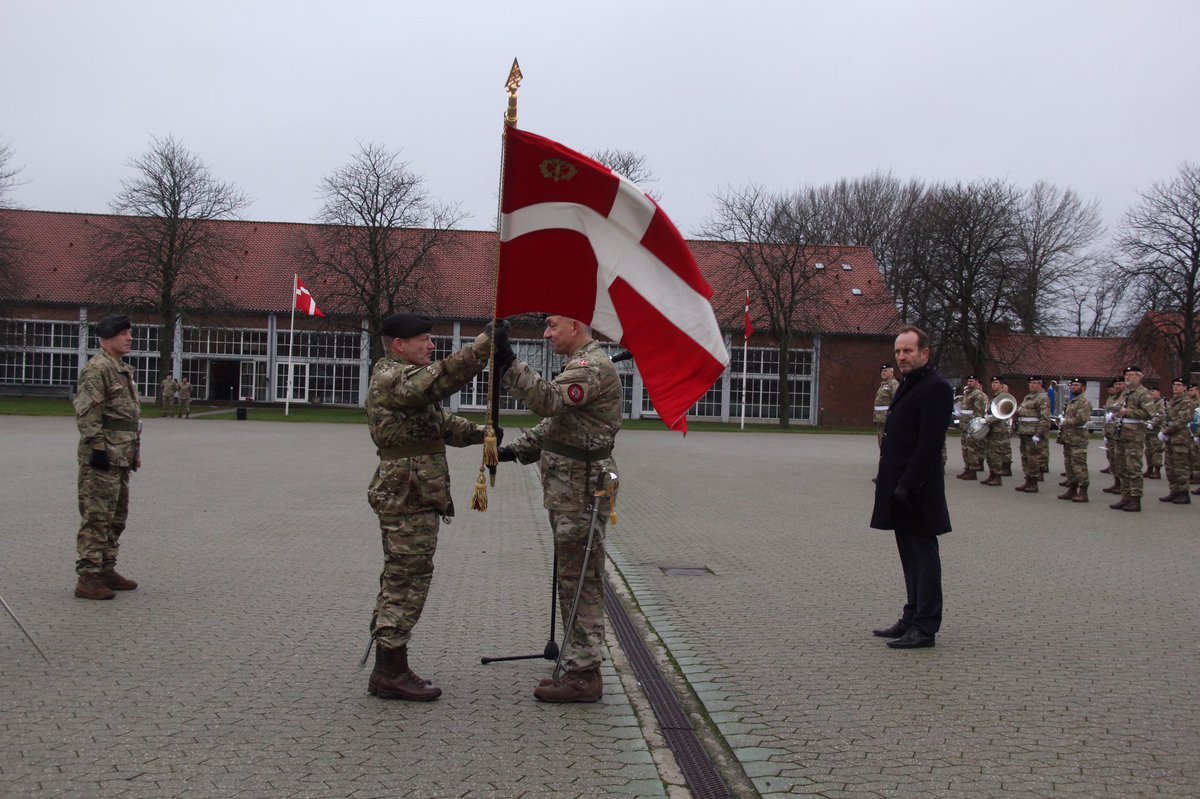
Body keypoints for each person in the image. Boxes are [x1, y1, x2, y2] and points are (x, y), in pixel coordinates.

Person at [363, 312, 497, 702]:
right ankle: (392, 671)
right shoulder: (392, 376)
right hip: (406, 495)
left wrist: (484, 435)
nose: (431, 344)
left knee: (403, 576)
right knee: (407, 579)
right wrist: (483, 346)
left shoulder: (407, 380)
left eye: (431, 338)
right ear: (399, 344)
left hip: (414, 494)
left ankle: (387, 669)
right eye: (424, 339)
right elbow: (440, 379)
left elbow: (439, 424)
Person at [496, 315, 622, 701]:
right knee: (572, 577)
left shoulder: (590, 367)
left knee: (580, 580)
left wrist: (507, 361)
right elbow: (558, 427)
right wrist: (511, 452)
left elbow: (547, 401)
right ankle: (576, 663)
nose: (546, 334)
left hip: (581, 492)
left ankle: (584, 674)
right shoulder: (580, 366)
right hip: (570, 491)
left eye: (552, 326)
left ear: (576, 326)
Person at [870, 326, 953, 650]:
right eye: (899, 352)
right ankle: (911, 616)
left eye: (908, 351)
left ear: (924, 353)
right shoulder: (909, 385)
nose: (902, 357)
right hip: (900, 485)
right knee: (909, 556)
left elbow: (929, 444)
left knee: (924, 558)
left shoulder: (936, 388)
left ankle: (925, 627)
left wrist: (908, 484)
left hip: (917, 488)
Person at [73, 314, 142, 600]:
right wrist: (98, 448)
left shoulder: (121, 369)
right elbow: (88, 413)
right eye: (122, 334)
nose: (129, 338)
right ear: (106, 338)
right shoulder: (98, 368)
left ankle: (106, 567)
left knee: (116, 516)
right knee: (97, 517)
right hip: (103, 457)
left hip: (121, 455)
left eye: (129, 333)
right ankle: (88, 576)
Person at [1110, 365, 1154, 512]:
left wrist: (1127, 412)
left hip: (1134, 436)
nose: (1128, 377)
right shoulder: (1125, 393)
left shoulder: (1143, 393)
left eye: (1131, 374)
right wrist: (1114, 412)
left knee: (1133, 467)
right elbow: (1117, 407)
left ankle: (1135, 499)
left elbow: (1149, 413)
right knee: (1121, 467)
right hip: (1120, 433)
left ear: (1139, 376)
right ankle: (1125, 496)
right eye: (1126, 375)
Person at [1158, 378, 1194, 505]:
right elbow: (1166, 418)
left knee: (1181, 468)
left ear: (1184, 388)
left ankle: (1184, 494)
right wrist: (1164, 429)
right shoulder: (1172, 401)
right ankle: (1174, 492)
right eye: (1174, 385)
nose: (1176, 387)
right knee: (1170, 467)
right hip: (1170, 440)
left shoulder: (1186, 402)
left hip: (1180, 440)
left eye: (1179, 385)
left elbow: (1183, 421)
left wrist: (1166, 431)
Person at [1057, 378, 1093, 502]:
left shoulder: (1084, 401)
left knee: (1079, 465)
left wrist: (1064, 421)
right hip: (1068, 437)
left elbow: (1081, 419)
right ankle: (1072, 489)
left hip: (1078, 438)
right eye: (1072, 385)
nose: (1073, 387)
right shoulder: (1072, 401)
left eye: (1076, 385)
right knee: (1069, 464)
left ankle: (1083, 491)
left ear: (1083, 387)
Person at [1013, 376, 1051, 493]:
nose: (1031, 385)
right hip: (1024, 432)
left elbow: (1045, 419)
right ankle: (1028, 480)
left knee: (1033, 459)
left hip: (1033, 434)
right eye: (1030, 383)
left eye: (1034, 383)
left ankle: (1034, 483)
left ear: (1040, 384)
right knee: (1025, 458)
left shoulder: (1042, 398)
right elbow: (1023, 411)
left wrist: (1038, 434)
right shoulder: (1027, 397)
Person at [980, 377, 1014, 486]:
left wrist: (987, 420)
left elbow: (1001, 414)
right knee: (989, 453)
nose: (993, 385)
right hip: (991, 429)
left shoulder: (1002, 397)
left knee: (996, 454)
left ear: (1001, 385)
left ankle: (997, 477)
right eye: (992, 383)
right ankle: (992, 474)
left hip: (998, 430)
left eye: (996, 383)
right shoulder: (994, 397)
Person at [955, 374, 987, 481]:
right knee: (965, 448)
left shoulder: (978, 394)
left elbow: (979, 412)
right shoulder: (967, 393)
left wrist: (976, 425)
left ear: (977, 382)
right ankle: (967, 468)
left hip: (971, 425)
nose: (969, 383)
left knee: (972, 449)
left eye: (972, 381)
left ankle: (973, 470)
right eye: (968, 381)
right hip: (964, 424)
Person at [1101, 377, 1125, 480]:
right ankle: (1116, 480)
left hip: (1121, 431)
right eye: (1115, 384)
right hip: (1110, 430)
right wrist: (1105, 431)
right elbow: (1107, 416)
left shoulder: (1125, 397)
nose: (1117, 386)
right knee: (1111, 453)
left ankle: (1121, 482)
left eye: (1119, 384)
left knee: (1119, 457)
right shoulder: (1111, 399)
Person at [873, 364, 899, 451]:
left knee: (888, 439)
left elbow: (896, 401)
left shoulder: (893, 384)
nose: (883, 373)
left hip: (887, 418)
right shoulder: (883, 385)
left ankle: (889, 458)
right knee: (881, 439)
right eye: (882, 371)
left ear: (891, 372)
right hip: (879, 418)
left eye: (885, 371)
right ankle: (884, 457)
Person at [1144, 388, 1165, 480]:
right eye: (1150, 391)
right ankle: (1149, 468)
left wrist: (1153, 424)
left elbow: (1162, 415)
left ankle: (1157, 471)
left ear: (1158, 392)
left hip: (1156, 429)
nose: (1151, 393)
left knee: (1156, 450)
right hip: (1147, 430)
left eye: (1153, 391)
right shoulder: (1150, 403)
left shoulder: (1162, 403)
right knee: (1148, 450)